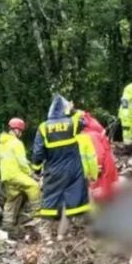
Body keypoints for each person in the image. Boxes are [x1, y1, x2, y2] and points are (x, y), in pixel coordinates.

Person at [31, 95, 95, 241]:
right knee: (70, 202)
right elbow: (83, 121)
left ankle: (46, 238)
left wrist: (36, 168)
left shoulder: (43, 127)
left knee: (49, 202)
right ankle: (61, 235)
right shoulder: (72, 122)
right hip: (74, 170)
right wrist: (72, 110)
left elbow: (38, 152)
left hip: (54, 170)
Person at [0, 118, 41, 232]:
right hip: (16, 174)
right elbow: (21, 162)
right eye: (20, 131)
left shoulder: (2, 144)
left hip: (6, 176)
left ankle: (7, 226)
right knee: (34, 187)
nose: (21, 134)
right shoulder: (16, 143)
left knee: (12, 198)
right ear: (16, 130)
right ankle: (37, 216)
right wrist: (31, 173)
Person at [80, 112, 118, 203]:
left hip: (101, 172)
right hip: (106, 169)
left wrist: (95, 169)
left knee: (101, 198)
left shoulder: (90, 135)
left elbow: (98, 155)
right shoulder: (93, 130)